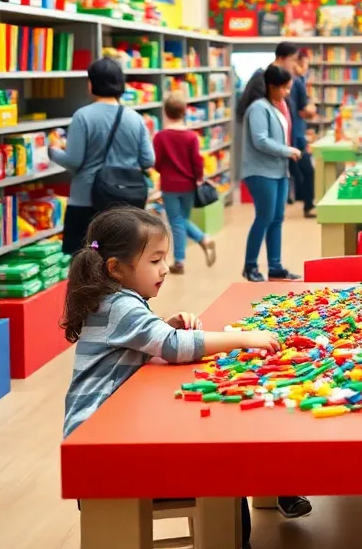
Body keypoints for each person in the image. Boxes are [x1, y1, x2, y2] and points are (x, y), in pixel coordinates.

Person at [60, 207, 312, 536]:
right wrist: (244, 338)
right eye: (155, 261)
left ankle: (273, 489)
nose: (165, 268)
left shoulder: (114, 298)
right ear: (115, 268)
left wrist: (165, 326)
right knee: (224, 469)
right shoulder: (120, 305)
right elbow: (174, 347)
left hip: (103, 441)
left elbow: (143, 340)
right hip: (104, 455)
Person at [51, 58, 155, 255]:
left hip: (87, 201)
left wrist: (52, 151)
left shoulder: (82, 116)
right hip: (125, 203)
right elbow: (148, 160)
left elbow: (74, 162)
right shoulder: (136, 118)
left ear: (91, 84)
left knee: (87, 258)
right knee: (118, 257)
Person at [237, 66, 302, 282]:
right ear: (272, 86)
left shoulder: (273, 107)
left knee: (276, 219)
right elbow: (260, 140)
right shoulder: (258, 108)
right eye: (284, 88)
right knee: (264, 218)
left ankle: (275, 266)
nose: (287, 93)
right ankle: (250, 266)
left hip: (278, 171)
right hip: (261, 171)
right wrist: (288, 150)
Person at [153, 92, 217, 274]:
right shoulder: (191, 137)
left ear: (165, 113)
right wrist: (198, 177)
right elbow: (198, 162)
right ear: (184, 112)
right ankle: (193, 247)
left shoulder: (160, 137)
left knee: (176, 221)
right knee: (182, 220)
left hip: (169, 185)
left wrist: (163, 171)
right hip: (189, 185)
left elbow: (157, 163)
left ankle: (182, 258)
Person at [288, 48, 317, 218]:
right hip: (296, 136)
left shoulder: (295, 81)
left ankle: (302, 201)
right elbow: (303, 110)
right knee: (307, 171)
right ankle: (308, 205)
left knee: (299, 170)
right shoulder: (297, 81)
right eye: (306, 62)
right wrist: (312, 109)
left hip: (295, 133)